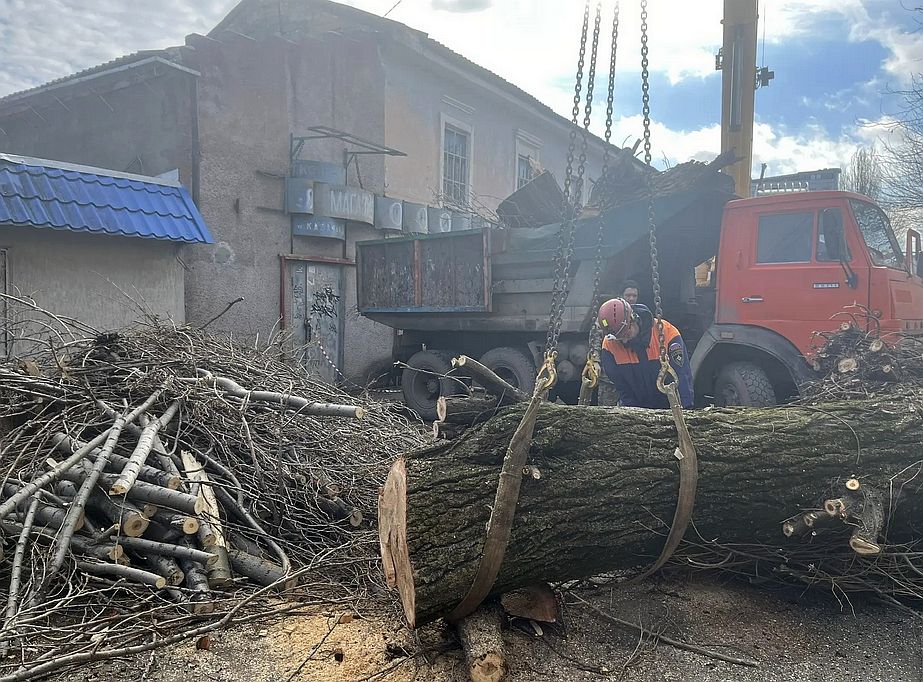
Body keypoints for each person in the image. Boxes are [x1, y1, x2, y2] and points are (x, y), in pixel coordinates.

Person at [597, 297, 694, 409]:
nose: (624, 341)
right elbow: (623, 389)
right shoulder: (609, 346)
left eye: (627, 334)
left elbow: (682, 378)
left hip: (669, 405)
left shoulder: (667, 333)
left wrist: (686, 410)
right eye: (619, 339)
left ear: (633, 319)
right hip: (637, 408)